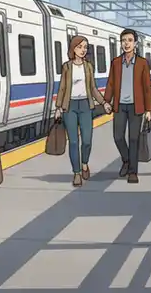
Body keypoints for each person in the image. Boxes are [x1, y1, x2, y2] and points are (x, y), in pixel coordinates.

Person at [53, 35, 107, 187]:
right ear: (73, 48)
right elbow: (62, 87)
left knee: (87, 140)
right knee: (74, 142)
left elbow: (93, 88)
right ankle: (76, 172)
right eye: (80, 47)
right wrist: (58, 107)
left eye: (85, 47)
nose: (83, 50)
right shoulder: (66, 67)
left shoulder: (88, 66)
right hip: (69, 106)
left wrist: (103, 102)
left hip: (85, 105)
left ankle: (85, 163)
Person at [103, 29, 151, 184]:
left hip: (136, 107)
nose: (126, 43)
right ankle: (126, 160)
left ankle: (133, 172)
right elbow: (110, 83)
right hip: (119, 106)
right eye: (124, 40)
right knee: (118, 137)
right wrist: (106, 101)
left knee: (133, 138)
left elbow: (146, 88)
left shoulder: (143, 63)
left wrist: (149, 109)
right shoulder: (116, 63)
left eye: (130, 40)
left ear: (135, 43)